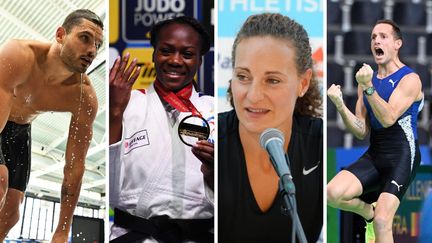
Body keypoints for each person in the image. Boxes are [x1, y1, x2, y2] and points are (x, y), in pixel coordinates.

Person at [0, 9, 103, 242]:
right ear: (60, 35)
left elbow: (74, 168)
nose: (92, 51)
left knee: (11, 214)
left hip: (21, 129)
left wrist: (62, 230)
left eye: (98, 44)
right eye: (85, 38)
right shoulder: (19, 55)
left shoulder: (83, 97)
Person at [218, 13, 323, 243]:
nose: (253, 96)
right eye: (243, 76)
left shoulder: (320, 143)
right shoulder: (211, 140)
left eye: (272, 80)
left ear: (303, 83)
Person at [109, 16, 214, 243]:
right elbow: (111, 192)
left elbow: (236, 202)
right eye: (166, 51)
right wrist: (115, 112)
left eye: (187, 54)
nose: (176, 60)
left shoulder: (215, 112)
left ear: (199, 60)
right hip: (136, 237)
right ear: (154, 55)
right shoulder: (128, 103)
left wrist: (216, 174)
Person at [327, 19, 424, 243]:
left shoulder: (410, 80)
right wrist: (340, 105)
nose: (376, 41)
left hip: (403, 155)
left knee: (383, 221)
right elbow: (361, 130)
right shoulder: (366, 81)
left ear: (397, 44)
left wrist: (369, 87)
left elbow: (389, 118)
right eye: (373, 37)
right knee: (332, 193)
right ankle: (367, 213)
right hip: (376, 153)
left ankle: (375, 217)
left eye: (383, 36)